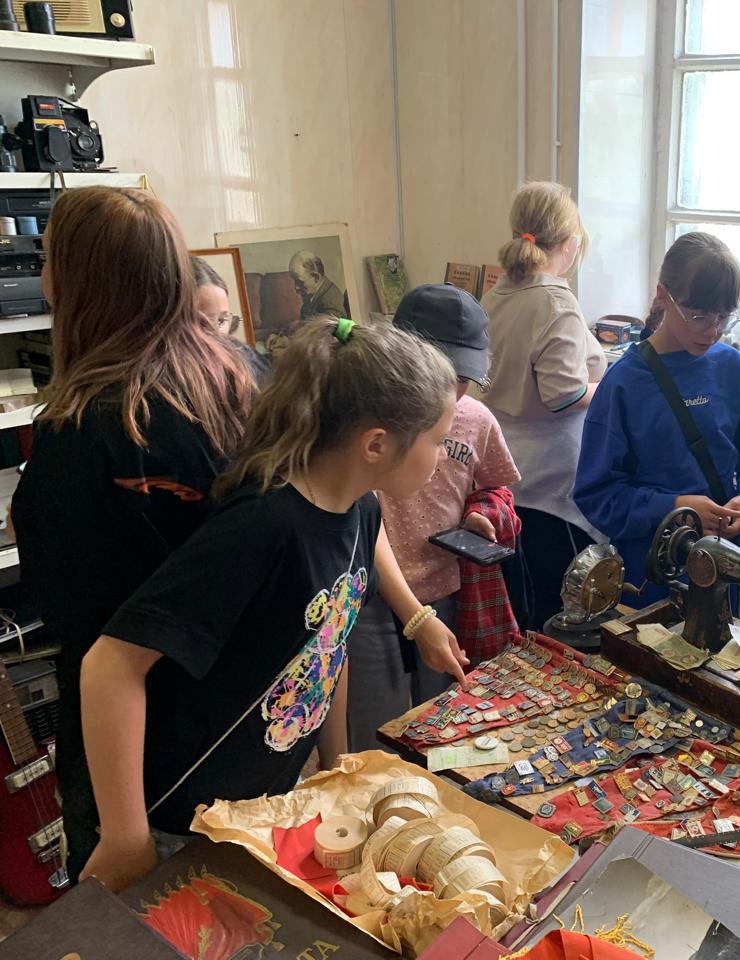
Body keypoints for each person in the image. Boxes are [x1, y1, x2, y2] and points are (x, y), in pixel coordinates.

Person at [75, 318, 469, 893]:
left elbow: (330, 645)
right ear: (376, 444)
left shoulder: (361, 511)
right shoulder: (265, 523)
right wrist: (125, 836)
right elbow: (110, 665)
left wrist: (335, 767)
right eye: (436, 439)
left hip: (254, 806)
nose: (441, 456)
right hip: (178, 818)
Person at [10, 186, 258, 882]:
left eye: (48, 261)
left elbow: (76, 617)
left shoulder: (85, 430)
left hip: (142, 757)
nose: (43, 277)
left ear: (74, 283)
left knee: (142, 918)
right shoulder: (250, 375)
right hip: (250, 718)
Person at [347, 285, 521, 750]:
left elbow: (496, 487)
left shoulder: (477, 419)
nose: (454, 389)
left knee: (446, 724)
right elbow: (357, 514)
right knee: (375, 729)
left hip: (446, 588)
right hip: (369, 601)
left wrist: (482, 512)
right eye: (444, 372)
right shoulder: (365, 423)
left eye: (465, 377)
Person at [574, 232, 740, 606]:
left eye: (724, 317)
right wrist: (673, 506)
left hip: (721, 569)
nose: (713, 331)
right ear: (663, 295)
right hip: (646, 576)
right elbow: (597, 496)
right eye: (699, 316)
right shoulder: (623, 384)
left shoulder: (737, 371)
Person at [481, 181, 606, 629]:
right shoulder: (555, 301)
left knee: (524, 606)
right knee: (566, 614)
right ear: (570, 243)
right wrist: (610, 387)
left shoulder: (497, 294)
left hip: (505, 473)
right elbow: (564, 396)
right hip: (551, 486)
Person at [289, 249, 349, 322]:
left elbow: (337, 329)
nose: (296, 287)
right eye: (295, 281)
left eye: (300, 282)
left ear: (316, 277)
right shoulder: (313, 295)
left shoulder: (330, 304)